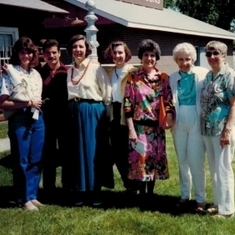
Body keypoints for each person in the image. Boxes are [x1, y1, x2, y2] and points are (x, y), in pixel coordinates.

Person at [123, 39, 175, 197]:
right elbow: (127, 105)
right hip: (139, 127)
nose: (149, 58)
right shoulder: (133, 78)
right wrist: (131, 129)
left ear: (156, 57)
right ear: (141, 57)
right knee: (140, 160)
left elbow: (168, 101)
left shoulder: (164, 78)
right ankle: (141, 193)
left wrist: (170, 116)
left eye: (152, 55)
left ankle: (150, 194)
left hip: (156, 128)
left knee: (153, 161)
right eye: (146, 55)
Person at [66, 35, 112, 206]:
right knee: (78, 153)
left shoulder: (95, 68)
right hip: (74, 112)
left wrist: (103, 115)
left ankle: (95, 192)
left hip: (92, 111)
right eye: (75, 47)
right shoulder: (70, 70)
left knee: (93, 152)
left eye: (81, 47)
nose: (78, 50)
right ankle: (80, 190)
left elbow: (107, 92)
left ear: (87, 49)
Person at [0, 36, 45, 211]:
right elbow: (2, 103)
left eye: (29, 52)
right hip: (20, 118)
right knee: (21, 159)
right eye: (22, 52)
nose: (26, 55)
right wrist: (26, 103)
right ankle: (22, 197)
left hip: (37, 118)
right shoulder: (10, 74)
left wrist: (35, 105)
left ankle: (32, 195)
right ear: (17, 54)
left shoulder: (35, 74)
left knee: (36, 158)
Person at [169, 42, 208, 211]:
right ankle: (185, 195)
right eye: (181, 59)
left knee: (196, 160)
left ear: (193, 58)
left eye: (188, 59)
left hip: (196, 118)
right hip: (179, 119)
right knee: (182, 160)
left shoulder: (203, 73)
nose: (185, 62)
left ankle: (201, 199)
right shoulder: (171, 77)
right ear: (176, 60)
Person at [200, 40, 235, 218]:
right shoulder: (208, 76)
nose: (212, 57)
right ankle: (218, 203)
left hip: (222, 129)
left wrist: (227, 130)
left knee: (223, 169)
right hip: (207, 129)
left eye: (216, 53)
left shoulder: (229, 75)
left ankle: (228, 210)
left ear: (223, 55)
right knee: (214, 169)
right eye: (209, 54)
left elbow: (234, 105)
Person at [37, 39, 69, 203]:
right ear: (43, 55)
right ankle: (48, 189)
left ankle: (66, 187)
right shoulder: (39, 74)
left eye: (54, 52)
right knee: (48, 154)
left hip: (64, 119)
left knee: (65, 154)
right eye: (48, 53)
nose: (51, 55)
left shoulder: (67, 72)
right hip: (46, 120)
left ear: (59, 53)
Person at [104, 41, 138, 193]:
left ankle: (133, 186)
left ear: (126, 54)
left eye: (120, 53)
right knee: (117, 153)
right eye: (115, 53)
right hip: (114, 113)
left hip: (129, 114)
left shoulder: (133, 72)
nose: (118, 56)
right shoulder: (109, 73)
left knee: (128, 153)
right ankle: (128, 185)